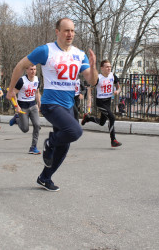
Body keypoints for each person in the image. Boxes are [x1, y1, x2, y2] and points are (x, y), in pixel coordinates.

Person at [6, 18, 98, 192]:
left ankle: (45, 177)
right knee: (75, 131)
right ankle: (49, 143)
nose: (70, 34)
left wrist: (93, 67)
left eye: (72, 30)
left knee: (65, 145)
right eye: (66, 30)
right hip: (51, 104)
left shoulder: (80, 54)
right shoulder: (46, 50)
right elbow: (20, 66)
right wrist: (11, 89)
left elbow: (92, 81)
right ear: (57, 32)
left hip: (68, 106)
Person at [81, 59, 122, 147]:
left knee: (102, 122)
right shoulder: (98, 78)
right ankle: (113, 140)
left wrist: (117, 91)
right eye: (107, 67)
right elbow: (89, 88)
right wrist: (89, 101)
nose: (109, 68)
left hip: (107, 102)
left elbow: (119, 87)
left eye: (110, 67)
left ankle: (88, 118)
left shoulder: (113, 76)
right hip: (100, 102)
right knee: (112, 118)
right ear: (102, 68)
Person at [9, 64, 42, 155]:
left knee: (37, 125)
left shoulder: (37, 79)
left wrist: (39, 104)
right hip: (23, 106)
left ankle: (33, 147)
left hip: (33, 105)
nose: (33, 71)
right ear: (26, 70)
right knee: (25, 129)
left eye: (34, 69)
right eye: (31, 69)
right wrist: (16, 106)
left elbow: (37, 92)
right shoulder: (21, 81)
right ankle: (17, 119)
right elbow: (13, 94)